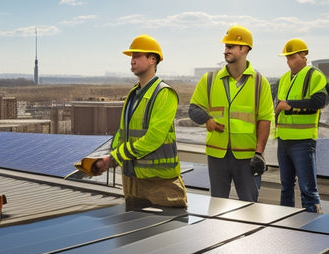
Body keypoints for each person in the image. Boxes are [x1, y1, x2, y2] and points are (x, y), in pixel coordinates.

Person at [94, 34, 187, 210]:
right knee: (134, 235)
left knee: (166, 235)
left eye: (137, 56)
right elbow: (123, 134)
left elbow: (154, 138)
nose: (132, 61)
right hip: (132, 181)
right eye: (131, 57)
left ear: (152, 60)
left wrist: (114, 157)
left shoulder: (164, 94)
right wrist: (109, 158)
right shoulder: (133, 94)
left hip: (159, 184)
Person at [188, 25, 274, 202]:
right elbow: (193, 109)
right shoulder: (210, 80)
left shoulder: (260, 83)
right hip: (217, 156)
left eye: (230, 46)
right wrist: (207, 119)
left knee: (249, 207)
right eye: (225, 47)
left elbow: (264, 120)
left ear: (244, 49)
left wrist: (259, 153)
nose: (225, 51)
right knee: (217, 207)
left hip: (247, 156)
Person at [275, 38, 326, 214]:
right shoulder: (283, 79)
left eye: (292, 57)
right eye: (287, 58)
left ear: (304, 56)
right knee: (285, 187)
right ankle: (285, 224)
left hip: (303, 142)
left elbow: (319, 101)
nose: (289, 62)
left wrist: (289, 104)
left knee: (307, 189)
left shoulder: (315, 75)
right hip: (283, 141)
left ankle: (313, 228)